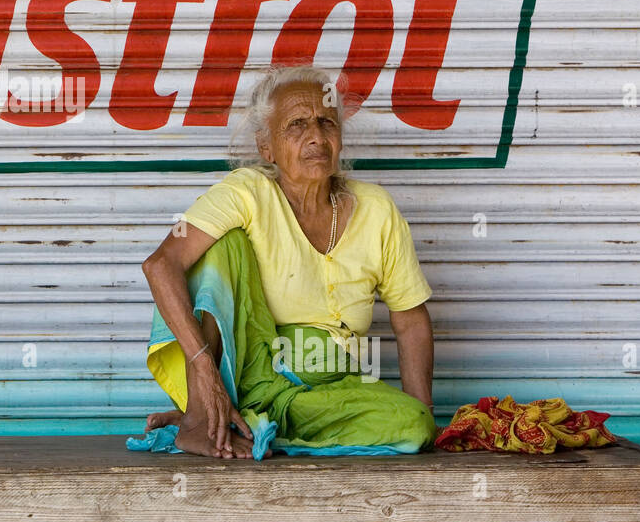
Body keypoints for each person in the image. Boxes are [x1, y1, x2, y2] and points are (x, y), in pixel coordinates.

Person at [140, 65, 438, 458]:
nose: (315, 136)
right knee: (221, 245)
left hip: (336, 389)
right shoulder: (247, 193)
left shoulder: (377, 209)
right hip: (262, 379)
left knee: (413, 426)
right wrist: (203, 370)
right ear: (267, 147)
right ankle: (202, 416)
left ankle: (250, 427)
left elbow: (411, 320)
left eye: (326, 123)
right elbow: (161, 263)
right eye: (296, 125)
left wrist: (427, 417)